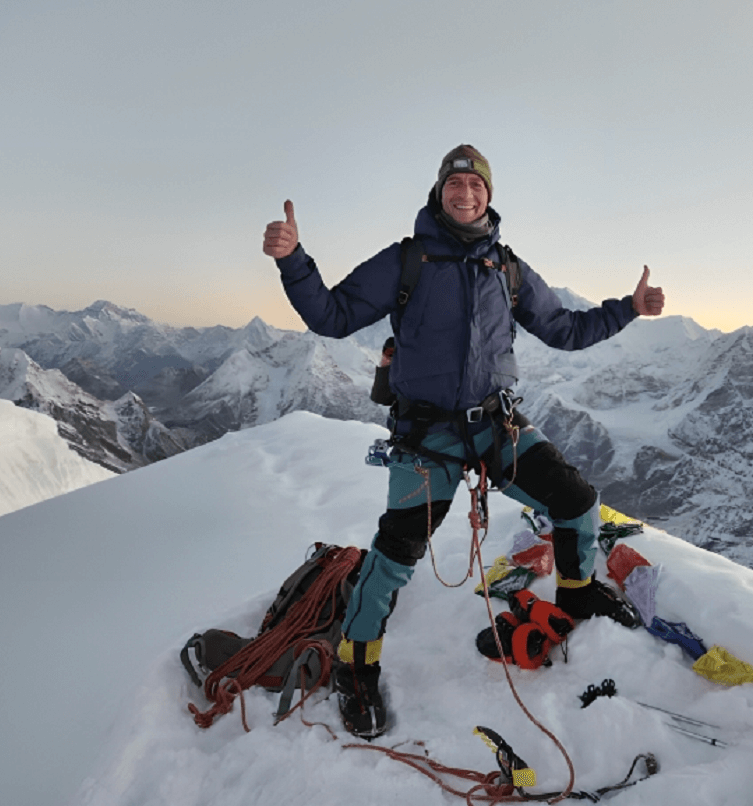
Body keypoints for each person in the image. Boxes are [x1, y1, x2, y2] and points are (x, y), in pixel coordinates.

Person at [262, 144, 665, 738]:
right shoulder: (407, 260)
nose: (466, 193)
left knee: (577, 502)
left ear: (489, 196)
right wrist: (293, 260)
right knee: (395, 555)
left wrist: (628, 309)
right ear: (440, 192)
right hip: (427, 436)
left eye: (477, 185)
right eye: (456, 184)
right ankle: (356, 665)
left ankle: (578, 597)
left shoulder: (507, 268)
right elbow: (333, 315)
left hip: (496, 425)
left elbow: (564, 329)